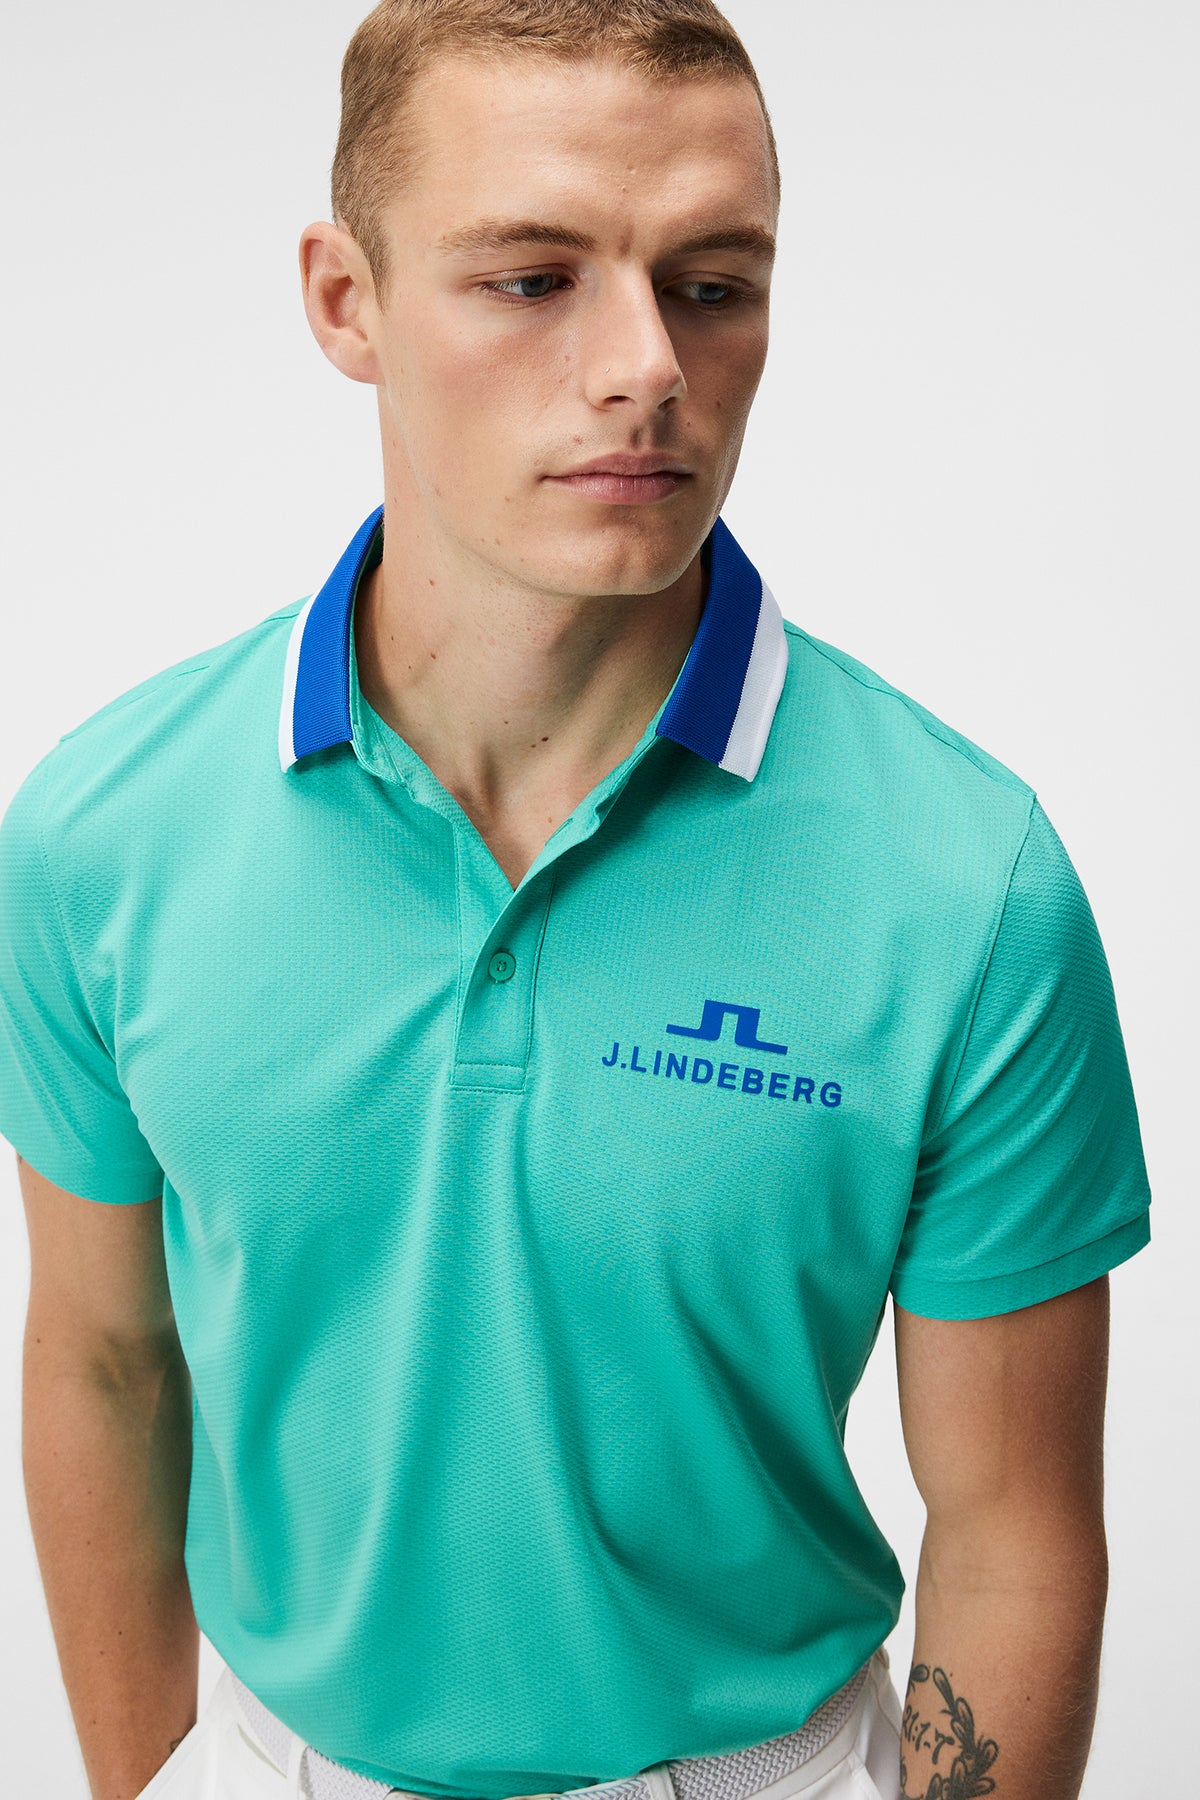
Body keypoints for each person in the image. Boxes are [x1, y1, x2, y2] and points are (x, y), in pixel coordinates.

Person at [0, 1, 1152, 1797]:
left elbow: (1010, 1525)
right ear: (346, 302)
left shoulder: (968, 884)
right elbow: (105, 1366)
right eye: (533, 278)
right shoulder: (104, 835)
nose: (646, 367)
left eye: (712, 284)